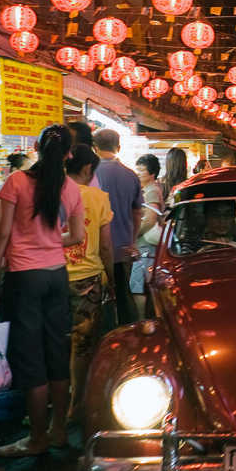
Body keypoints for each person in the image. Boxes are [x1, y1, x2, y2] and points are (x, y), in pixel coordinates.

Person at [0, 125, 85, 457]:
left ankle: (36, 438)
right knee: (57, 353)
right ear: (69, 154)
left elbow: (2, 234)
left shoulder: (16, 181)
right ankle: (59, 431)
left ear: (36, 147)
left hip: (24, 277)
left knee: (31, 360)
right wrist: (50, 240)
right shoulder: (71, 188)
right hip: (56, 276)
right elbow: (76, 236)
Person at [62, 145, 112, 421]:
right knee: (81, 345)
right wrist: (114, 280)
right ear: (87, 169)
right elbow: (105, 247)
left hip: (52, 275)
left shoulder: (50, 191)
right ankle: (76, 404)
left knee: (55, 342)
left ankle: (53, 406)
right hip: (87, 279)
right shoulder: (96, 197)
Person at [92, 129, 143, 326]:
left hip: (94, 250)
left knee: (99, 301)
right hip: (123, 248)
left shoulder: (89, 174)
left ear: (94, 148)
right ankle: (129, 340)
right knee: (123, 295)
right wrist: (131, 239)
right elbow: (137, 213)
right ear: (118, 148)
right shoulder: (131, 175)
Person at [132, 154, 163, 316]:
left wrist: (132, 235)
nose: (138, 173)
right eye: (137, 170)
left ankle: (142, 321)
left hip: (145, 245)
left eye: (142, 171)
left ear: (152, 174)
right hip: (145, 245)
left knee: (139, 287)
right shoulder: (149, 189)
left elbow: (150, 219)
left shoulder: (151, 191)